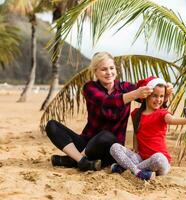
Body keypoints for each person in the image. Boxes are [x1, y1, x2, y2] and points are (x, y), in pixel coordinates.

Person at [45, 52, 173, 171]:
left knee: (106, 135)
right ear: (95, 72)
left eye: (111, 68)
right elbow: (108, 101)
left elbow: (151, 98)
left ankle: (73, 160)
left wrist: (164, 89)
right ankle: (81, 160)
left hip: (111, 149)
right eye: (103, 69)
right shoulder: (90, 87)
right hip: (87, 144)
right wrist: (133, 94)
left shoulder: (125, 87)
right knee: (52, 125)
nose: (109, 72)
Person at [110, 77, 186, 180]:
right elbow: (136, 133)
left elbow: (173, 120)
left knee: (158, 158)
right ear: (146, 96)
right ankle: (138, 172)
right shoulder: (136, 114)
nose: (159, 100)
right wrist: (135, 149)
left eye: (162, 96)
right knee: (114, 147)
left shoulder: (162, 113)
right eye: (155, 96)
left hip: (160, 162)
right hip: (142, 159)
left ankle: (127, 169)